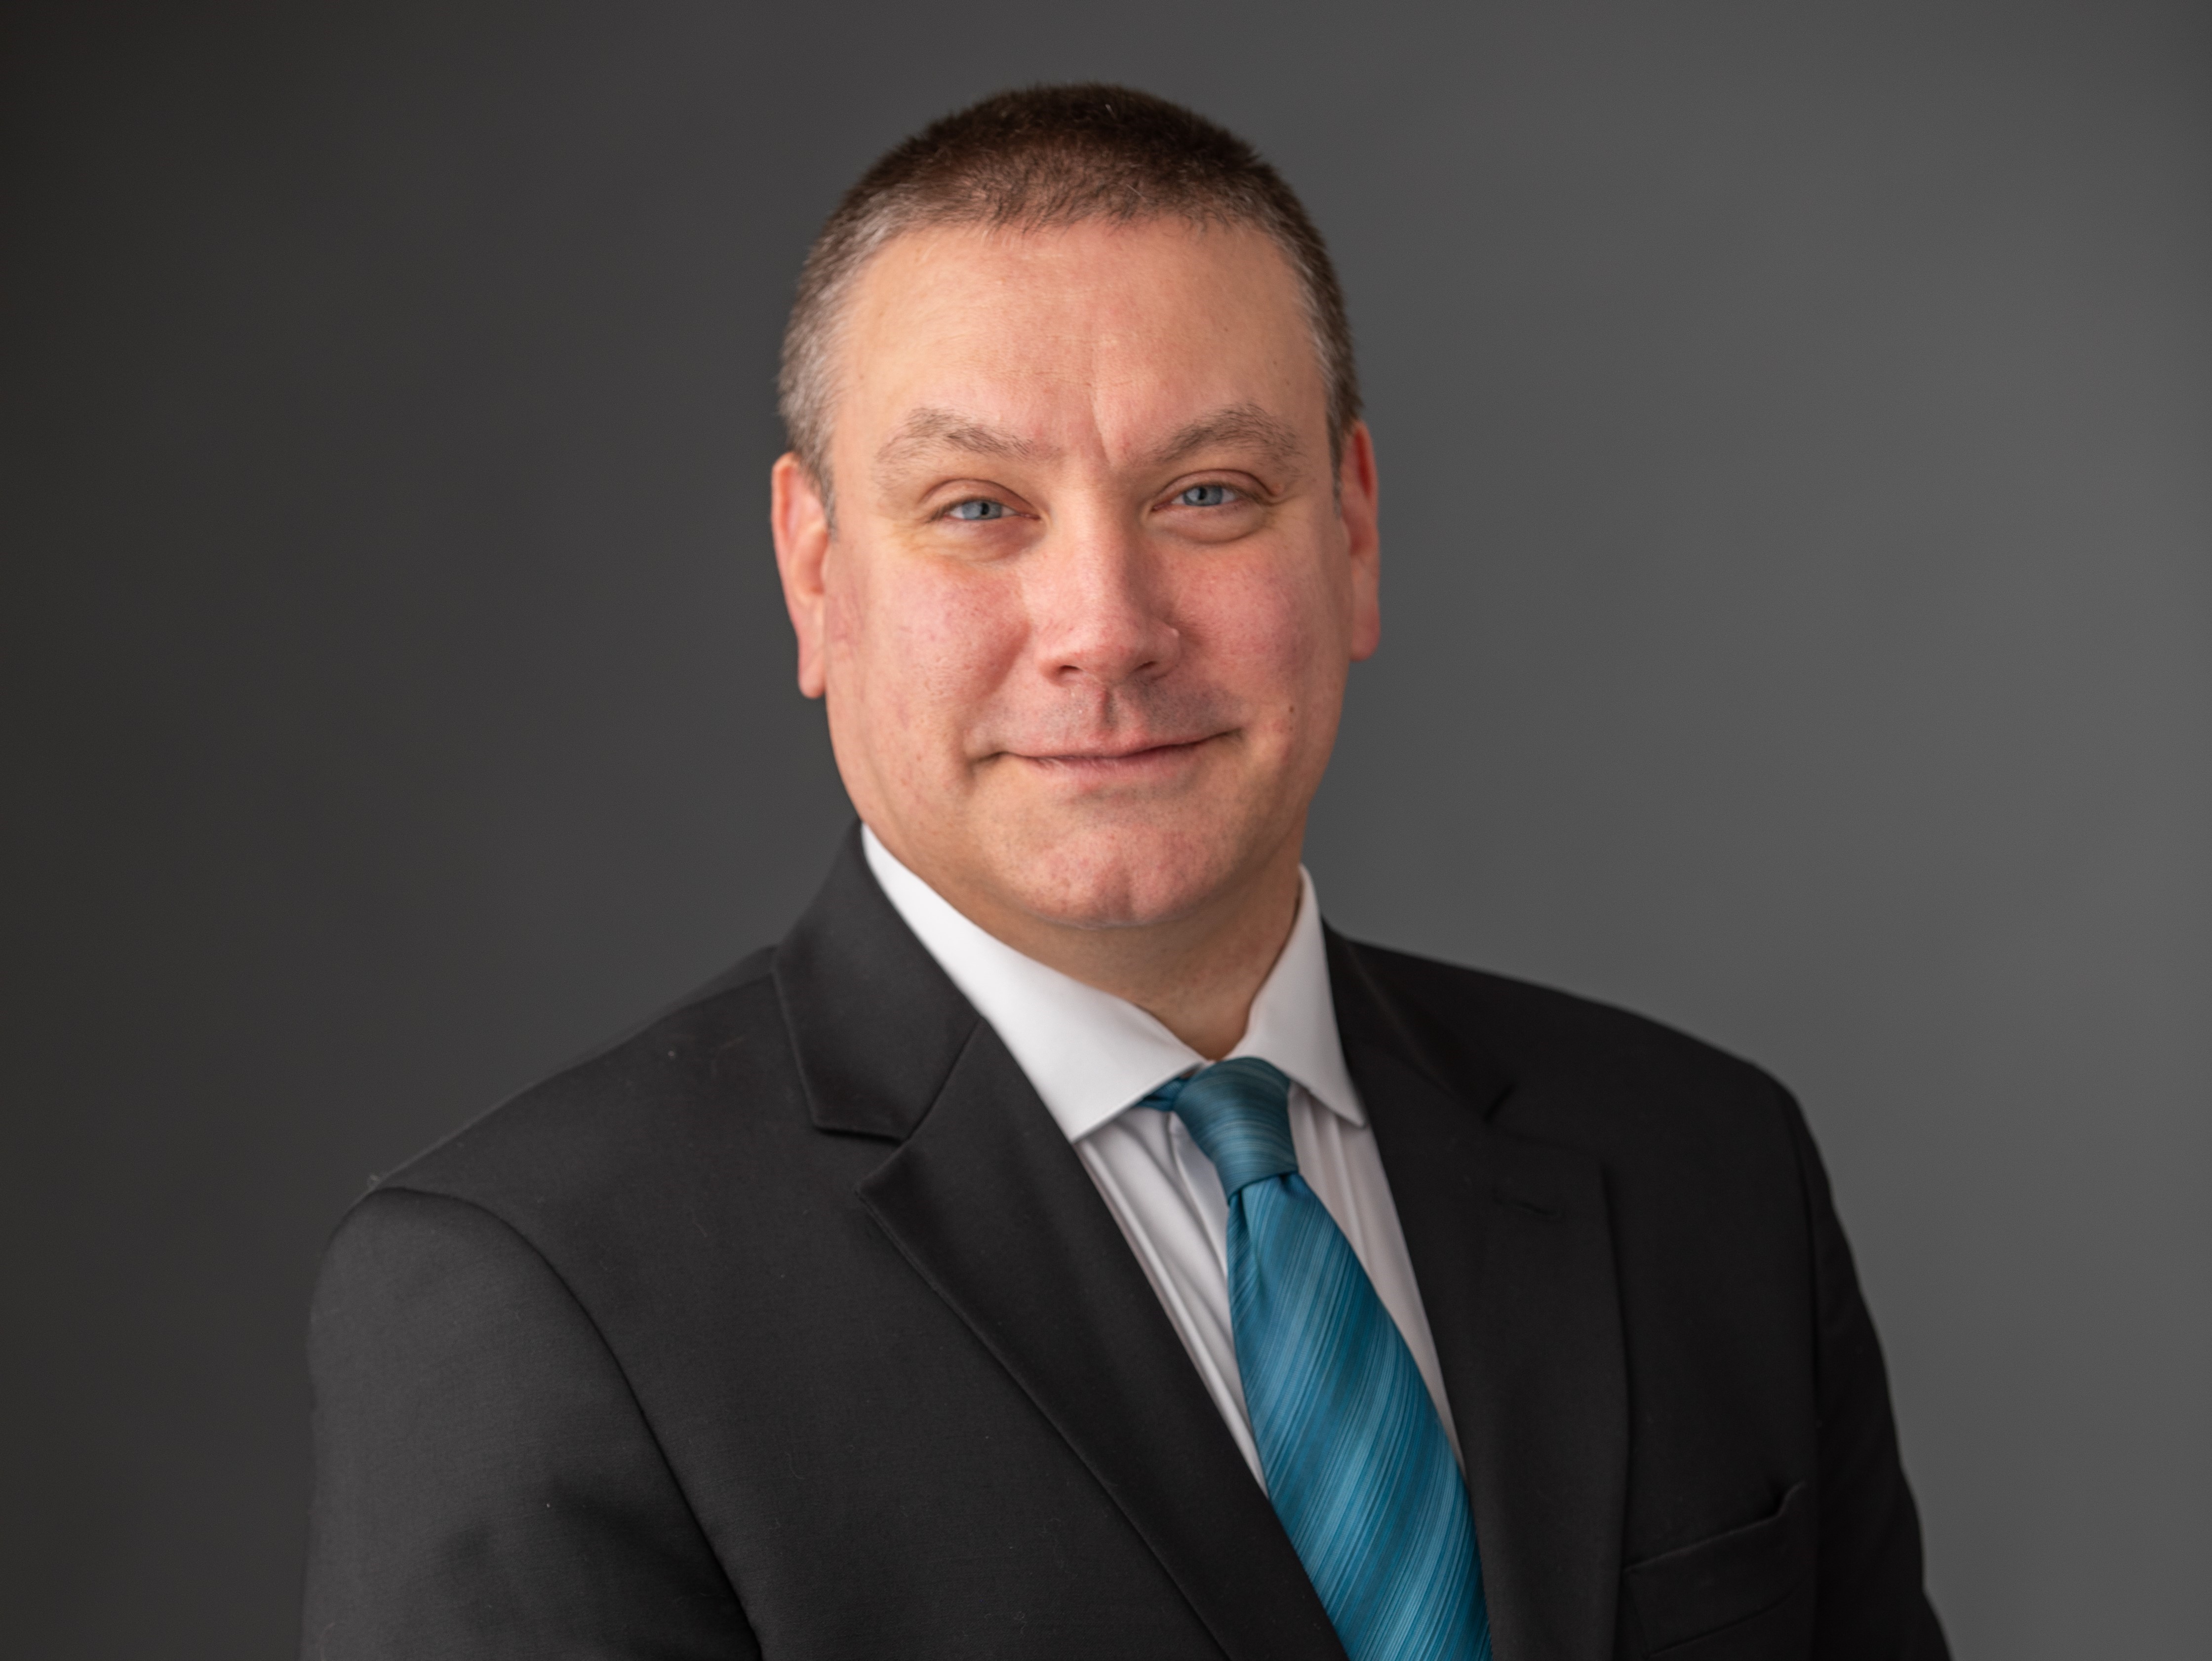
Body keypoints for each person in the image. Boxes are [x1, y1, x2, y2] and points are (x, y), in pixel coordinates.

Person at [301, 84, 1947, 1661]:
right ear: (819, 578)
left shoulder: (1703, 1170)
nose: (1106, 626)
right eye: (977, 508)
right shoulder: (541, 1293)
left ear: (1355, 533)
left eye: (1209, 493)